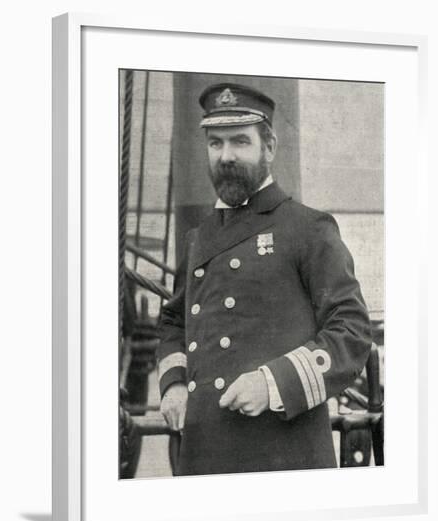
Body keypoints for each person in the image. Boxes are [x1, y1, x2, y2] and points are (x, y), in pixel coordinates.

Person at [157, 82, 372, 476]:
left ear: (268, 147)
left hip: (284, 454)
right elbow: (173, 321)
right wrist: (172, 383)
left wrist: (273, 384)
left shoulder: (309, 229)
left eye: (240, 141)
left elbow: (352, 331)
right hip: (203, 452)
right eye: (215, 144)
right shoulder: (198, 238)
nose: (226, 156)